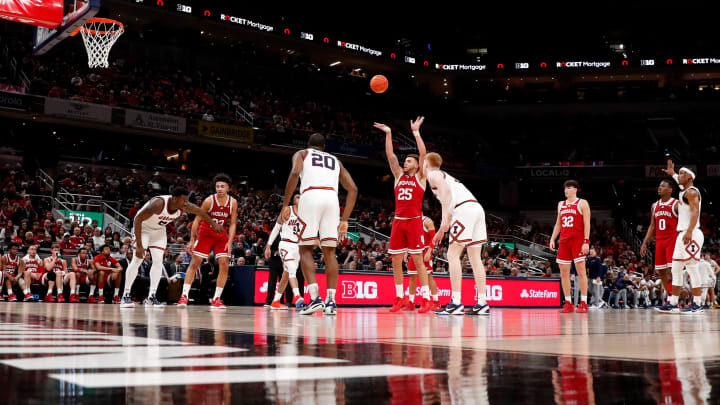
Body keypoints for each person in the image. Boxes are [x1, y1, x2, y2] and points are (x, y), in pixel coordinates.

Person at [281, 133, 357, 315]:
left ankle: (315, 298)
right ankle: (331, 302)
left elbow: (294, 173)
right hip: (332, 199)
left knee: (305, 249)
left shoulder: (302, 153)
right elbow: (353, 189)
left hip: (311, 196)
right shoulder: (335, 160)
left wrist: (285, 204)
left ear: (309, 144)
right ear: (324, 147)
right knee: (329, 251)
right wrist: (345, 219)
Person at [120, 188, 223, 308]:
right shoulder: (158, 204)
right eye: (183, 200)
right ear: (174, 198)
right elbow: (137, 219)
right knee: (138, 259)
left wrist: (213, 224)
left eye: (187, 200)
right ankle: (125, 295)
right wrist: (138, 245)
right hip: (143, 228)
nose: (186, 203)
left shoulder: (184, 206)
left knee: (158, 261)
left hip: (158, 231)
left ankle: (151, 297)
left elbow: (200, 212)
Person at [426, 152, 489, 315]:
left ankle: (456, 302)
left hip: (463, 210)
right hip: (477, 209)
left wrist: (444, 220)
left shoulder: (432, 174)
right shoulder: (446, 175)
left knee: (452, 255)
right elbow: (447, 193)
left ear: (426, 163)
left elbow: (446, 192)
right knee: (475, 258)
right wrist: (442, 227)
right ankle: (482, 303)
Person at [178, 174, 237, 310]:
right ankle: (184, 296)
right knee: (195, 262)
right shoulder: (209, 201)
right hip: (205, 233)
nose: (219, 189)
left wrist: (229, 240)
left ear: (228, 188)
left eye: (222, 186)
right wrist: (192, 240)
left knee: (224, 264)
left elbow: (233, 223)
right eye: (217, 186)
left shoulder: (233, 202)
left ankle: (216, 298)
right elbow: (197, 220)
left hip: (221, 234)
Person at [657, 162, 704, 314]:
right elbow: (678, 178)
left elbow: (695, 212)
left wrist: (689, 231)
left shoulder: (691, 192)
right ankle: (673, 302)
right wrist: (672, 173)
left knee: (692, 268)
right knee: (676, 268)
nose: (679, 176)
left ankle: (697, 303)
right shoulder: (685, 190)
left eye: (682, 174)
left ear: (690, 177)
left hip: (691, 233)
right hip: (681, 233)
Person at [550, 180, 591, 313]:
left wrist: (586, 241)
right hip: (564, 241)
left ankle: (583, 302)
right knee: (563, 272)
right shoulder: (560, 204)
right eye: (565, 188)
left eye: (569, 187)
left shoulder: (582, 203)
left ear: (575, 189)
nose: (566, 190)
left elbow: (587, 223)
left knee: (581, 271)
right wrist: (552, 238)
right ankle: (568, 302)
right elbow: (558, 224)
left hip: (578, 240)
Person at [640, 179, 678, 306]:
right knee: (661, 271)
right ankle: (670, 298)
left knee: (672, 271)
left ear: (670, 190)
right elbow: (652, 226)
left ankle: (675, 300)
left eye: (663, 186)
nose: (659, 188)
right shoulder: (654, 205)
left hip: (672, 240)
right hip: (659, 241)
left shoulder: (676, 204)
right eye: (659, 185)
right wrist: (645, 242)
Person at [265, 194, 304, 309]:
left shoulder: (307, 214)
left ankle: (276, 301)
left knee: (286, 275)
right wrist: (268, 245)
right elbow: (276, 228)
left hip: (297, 247)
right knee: (292, 269)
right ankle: (297, 296)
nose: (300, 198)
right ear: (294, 200)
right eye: (298, 197)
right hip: (285, 244)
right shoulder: (287, 210)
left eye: (302, 196)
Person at [405, 216, 441, 311]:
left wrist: (429, 251)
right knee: (412, 277)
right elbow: (411, 238)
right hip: (415, 251)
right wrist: (406, 251)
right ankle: (411, 302)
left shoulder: (427, 221)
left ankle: (436, 302)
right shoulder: (411, 221)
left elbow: (434, 238)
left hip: (425, 250)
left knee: (428, 276)